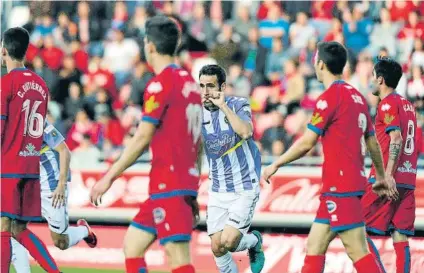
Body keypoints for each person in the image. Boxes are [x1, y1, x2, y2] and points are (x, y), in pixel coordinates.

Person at [262, 41, 398, 273]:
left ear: (321, 64)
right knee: (315, 245)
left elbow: (307, 142)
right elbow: (372, 141)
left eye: (315, 60)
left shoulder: (328, 99)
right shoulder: (357, 97)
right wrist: (382, 176)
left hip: (341, 186)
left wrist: (276, 163)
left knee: (357, 250)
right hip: (343, 185)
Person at [90, 16, 202, 273]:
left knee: (178, 258)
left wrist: (108, 177)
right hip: (175, 184)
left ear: (149, 46)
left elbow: (142, 137)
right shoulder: (191, 84)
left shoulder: (160, 84)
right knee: (133, 245)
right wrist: (193, 186)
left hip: (169, 182)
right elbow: (198, 140)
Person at [0, 27, 61, 273]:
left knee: (4, 227)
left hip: (9, 164)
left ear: (4, 50)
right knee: (19, 229)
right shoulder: (41, 85)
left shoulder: (6, 83)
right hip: (30, 165)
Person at [199, 64, 265, 273]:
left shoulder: (238, 104)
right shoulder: (197, 114)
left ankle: (254, 241)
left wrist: (223, 107)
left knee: (229, 241)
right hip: (218, 189)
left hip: (244, 186)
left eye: (210, 86)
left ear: (223, 87)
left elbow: (246, 132)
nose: (206, 92)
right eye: (202, 86)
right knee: (217, 247)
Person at [11, 120, 97, 273]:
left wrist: (61, 185)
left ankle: (83, 231)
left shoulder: (34, 120)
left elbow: (64, 150)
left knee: (60, 242)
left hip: (51, 185)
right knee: (13, 228)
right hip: (28, 184)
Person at [361, 57, 419, 273]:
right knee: (400, 235)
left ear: (381, 79)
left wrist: (388, 175)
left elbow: (396, 139)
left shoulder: (387, 103)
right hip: (408, 181)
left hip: (385, 178)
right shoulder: (409, 106)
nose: (371, 80)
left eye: (373, 76)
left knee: (355, 226)